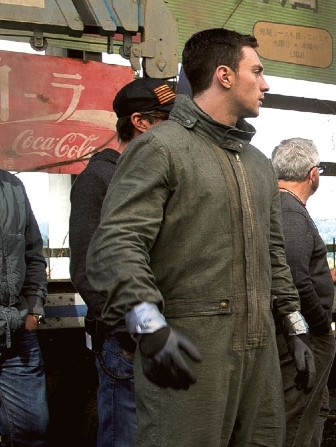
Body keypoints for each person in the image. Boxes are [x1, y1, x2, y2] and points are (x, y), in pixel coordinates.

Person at [86, 28, 315, 447]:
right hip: (190, 351)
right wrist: (148, 326)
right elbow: (116, 245)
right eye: (258, 71)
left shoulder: (257, 164)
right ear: (224, 76)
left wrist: (295, 325)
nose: (266, 84)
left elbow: (274, 253)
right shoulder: (161, 148)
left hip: (259, 354)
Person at [69, 77, 175, 447]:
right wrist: (128, 334)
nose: (176, 130)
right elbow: (86, 268)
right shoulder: (99, 179)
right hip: (127, 343)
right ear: (140, 122)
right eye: (167, 119)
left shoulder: (151, 176)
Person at [271, 138, 336, 447]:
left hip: (294, 333)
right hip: (302, 336)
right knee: (298, 417)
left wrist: (321, 275)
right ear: (313, 174)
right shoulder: (291, 213)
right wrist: (319, 324)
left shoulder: (278, 206)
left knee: (314, 407)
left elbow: (290, 263)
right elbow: (293, 278)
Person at [0, 169, 49, 446]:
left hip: (17, 332)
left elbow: (33, 253)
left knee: (32, 429)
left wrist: (33, 309)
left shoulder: (12, 186)